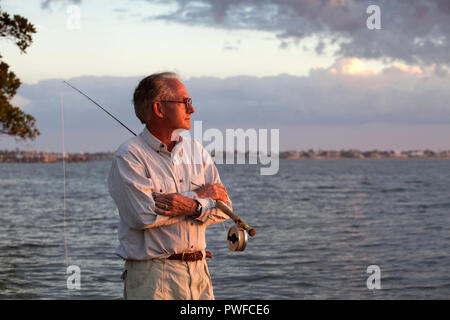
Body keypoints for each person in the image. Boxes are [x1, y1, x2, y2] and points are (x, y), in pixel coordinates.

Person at [107, 72, 231, 300]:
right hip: (154, 278)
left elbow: (225, 207)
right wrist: (200, 197)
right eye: (185, 102)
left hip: (200, 273)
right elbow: (142, 216)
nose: (192, 109)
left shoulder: (197, 151)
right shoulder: (129, 156)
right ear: (159, 109)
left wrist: (191, 205)